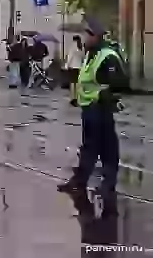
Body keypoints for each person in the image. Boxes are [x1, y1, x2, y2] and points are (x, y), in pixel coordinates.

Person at [57, 17, 128, 217]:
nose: (84, 38)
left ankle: (103, 185)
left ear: (94, 36)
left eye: (86, 34)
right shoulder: (92, 54)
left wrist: (106, 96)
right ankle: (84, 183)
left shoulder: (108, 55)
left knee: (102, 148)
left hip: (101, 108)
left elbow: (120, 82)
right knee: (93, 147)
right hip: (90, 108)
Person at [66, 35, 84, 106]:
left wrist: (66, 66)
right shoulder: (81, 47)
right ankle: (77, 98)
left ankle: (72, 98)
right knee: (77, 83)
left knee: (72, 83)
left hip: (72, 67)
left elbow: (70, 57)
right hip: (79, 67)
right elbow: (83, 57)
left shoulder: (72, 47)